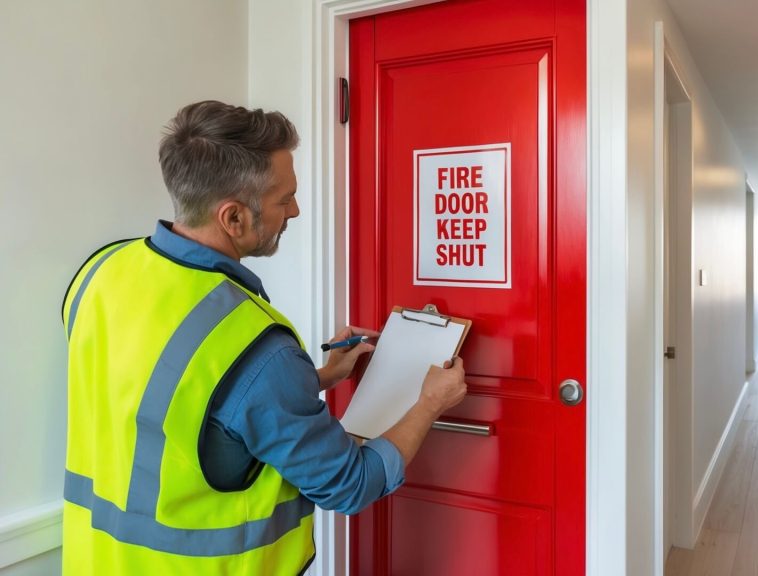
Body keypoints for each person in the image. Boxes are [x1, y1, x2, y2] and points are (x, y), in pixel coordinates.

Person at [61, 100, 467, 575]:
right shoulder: (258, 346)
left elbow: (177, 401)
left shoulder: (101, 272)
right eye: (284, 198)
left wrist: (317, 378)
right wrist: (429, 404)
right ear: (233, 218)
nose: (295, 210)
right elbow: (351, 484)